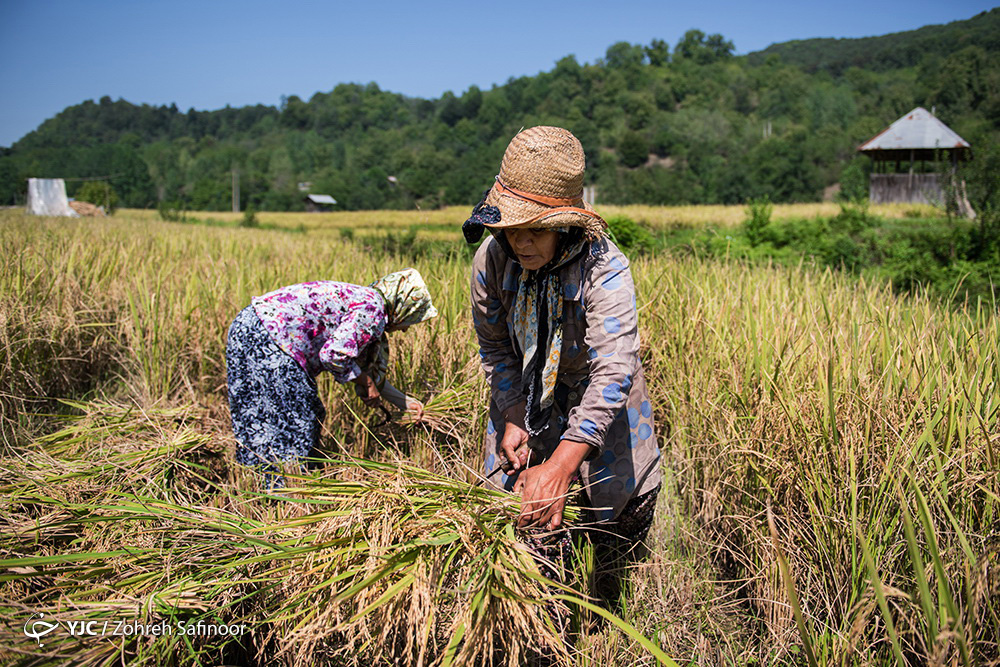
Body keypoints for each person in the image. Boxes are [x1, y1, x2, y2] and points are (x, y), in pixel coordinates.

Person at [464, 126, 662, 579]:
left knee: (616, 534)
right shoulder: (491, 262)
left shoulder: (603, 266)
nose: (521, 243)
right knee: (523, 534)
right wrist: (513, 412)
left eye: (536, 231)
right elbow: (495, 347)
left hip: (600, 407)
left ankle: (605, 623)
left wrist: (563, 463)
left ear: (564, 225)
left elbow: (614, 368)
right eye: (512, 230)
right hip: (530, 402)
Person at [226, 268, 437, 485]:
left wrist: (405, 403)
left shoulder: (366, 300)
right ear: (402, 306)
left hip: (249, 328)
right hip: (272, 340)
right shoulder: (372, 308)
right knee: (298, 421)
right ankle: (286, 493)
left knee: (261, 418)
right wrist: (364, 381)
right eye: (411, 319)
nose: (405, 330)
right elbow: (333, 355)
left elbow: (369, 373)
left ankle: (258, 486)